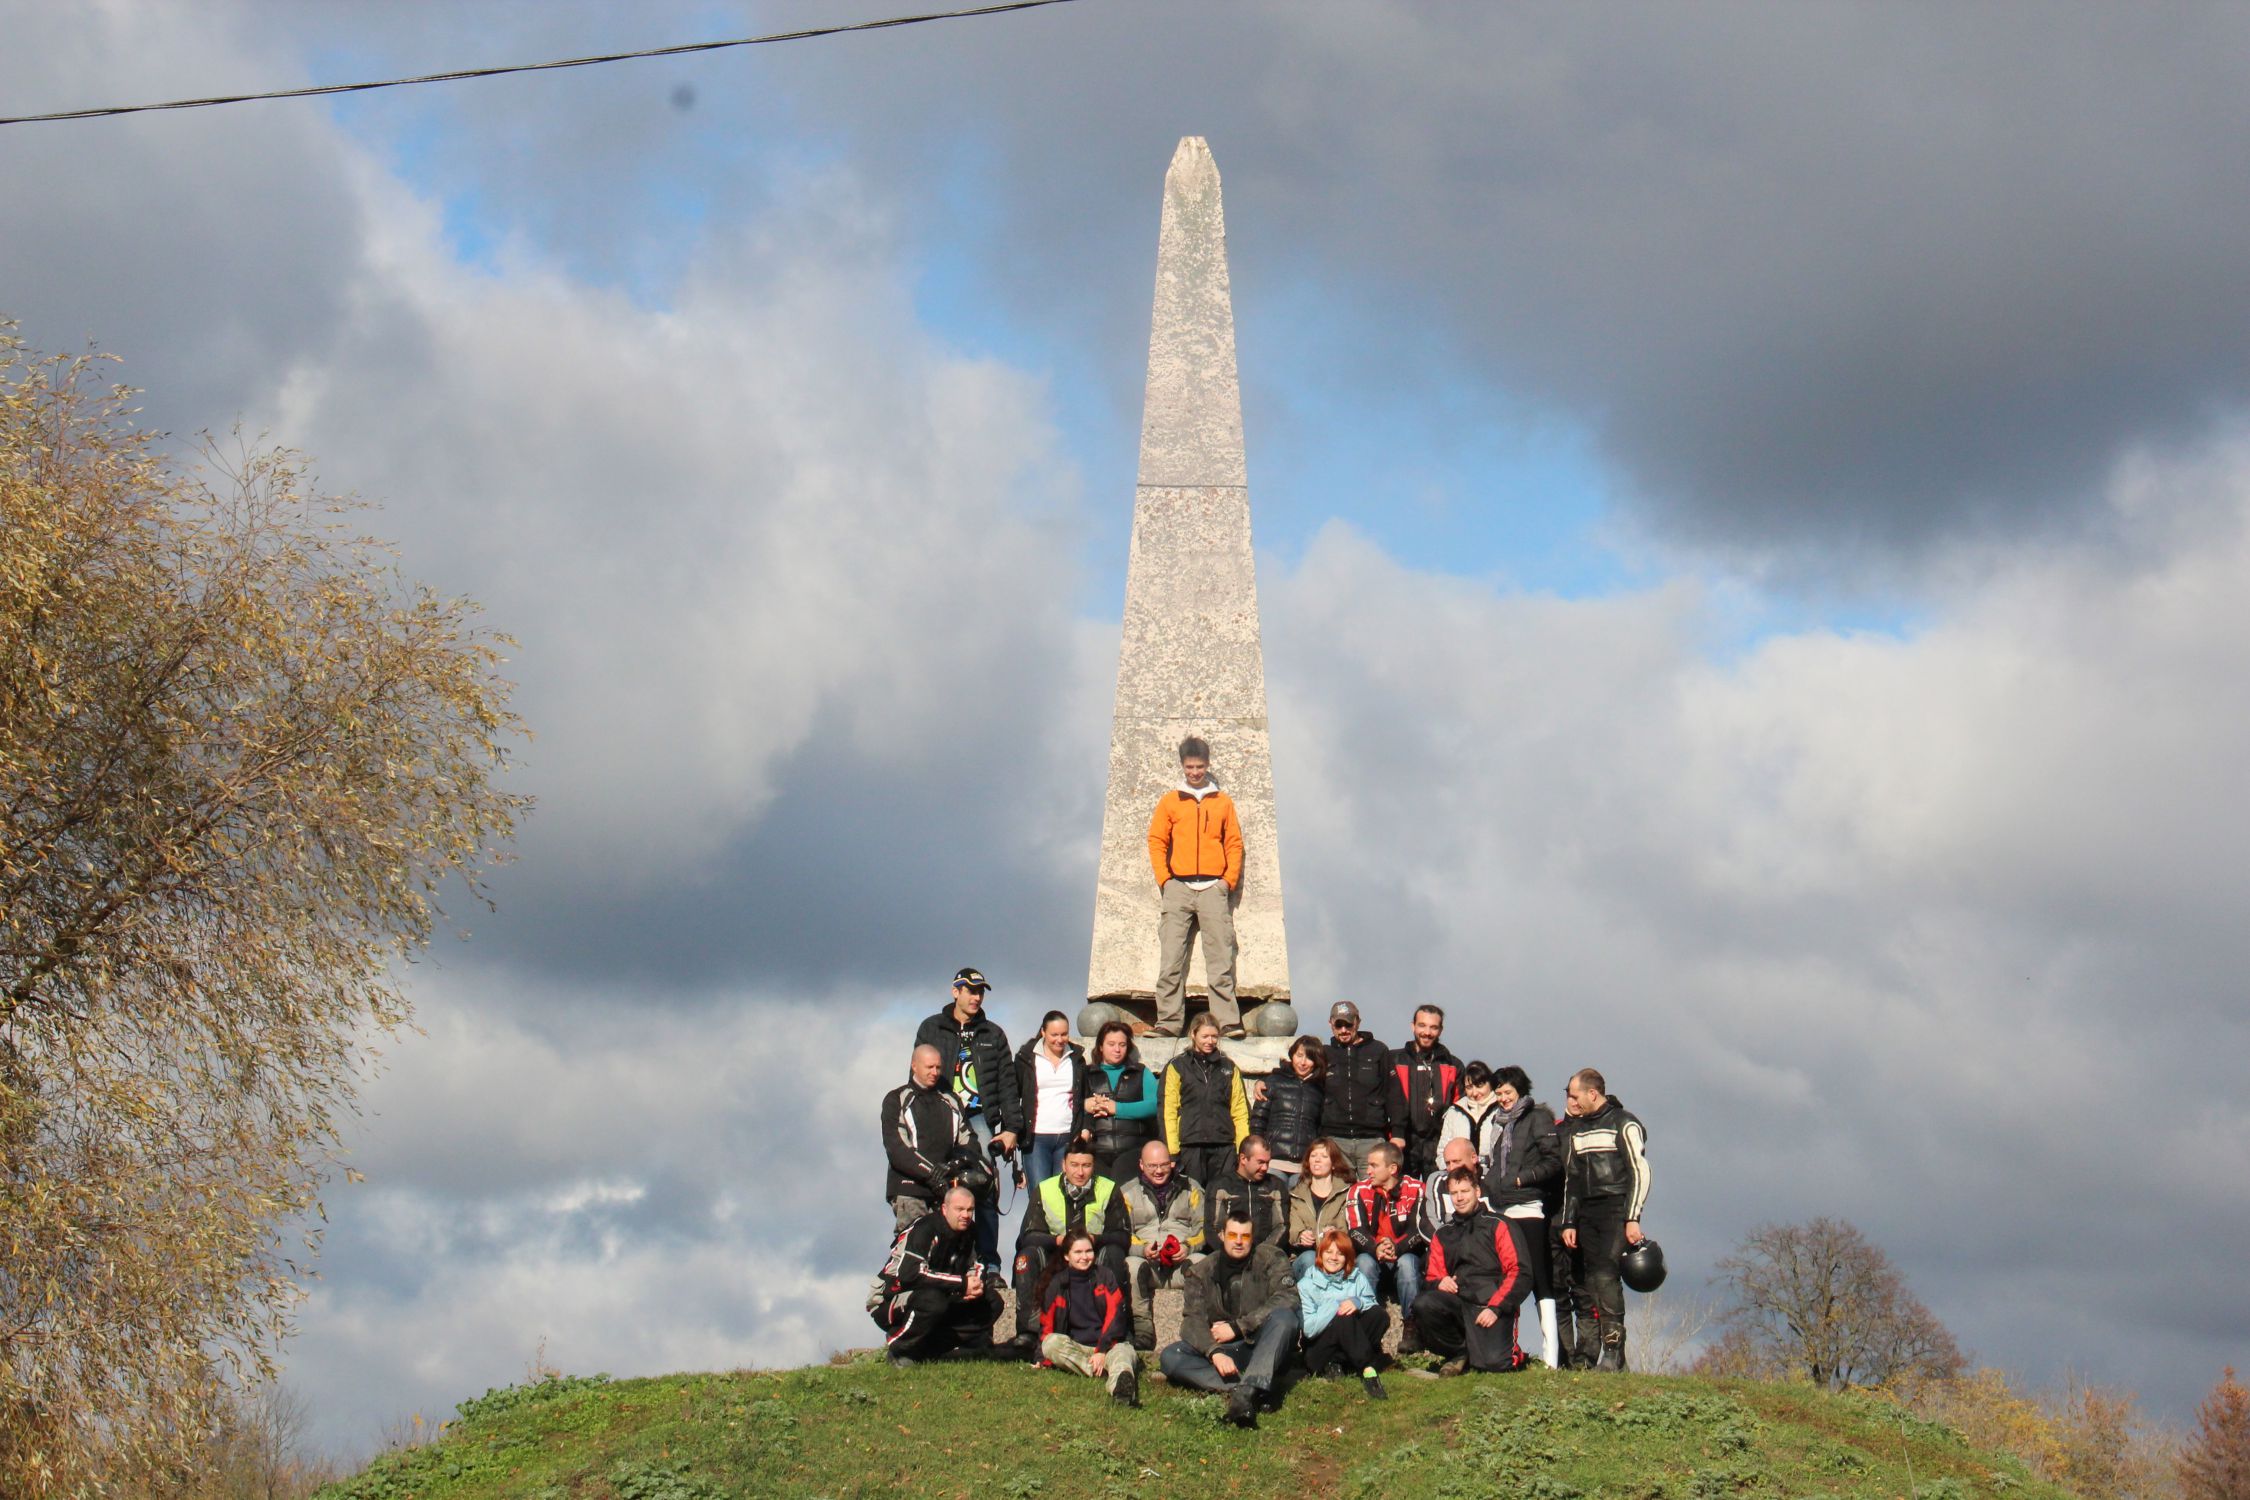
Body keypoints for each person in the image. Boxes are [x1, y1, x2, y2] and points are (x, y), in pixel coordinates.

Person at [912, 968, 1025, 1272]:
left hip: (978, 1118)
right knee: (936, 1187)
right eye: (971, 991)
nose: (976, 997)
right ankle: (936, 1261)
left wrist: (1012, 1129)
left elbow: (1008, 1084)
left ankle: (989, 1263)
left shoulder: (993, 1033)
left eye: (980, 992)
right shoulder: (931, 1027)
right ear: (956, 992)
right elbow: (917, 1072)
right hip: (939, 1115)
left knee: (985, 1186)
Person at [1158, 1212, 1302, 1429]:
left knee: (1285, 1318)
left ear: (1252, 1238)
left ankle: (1247, 1390)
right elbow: (1192, 1320)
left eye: (1245, 1236)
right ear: (1222, 1235)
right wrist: (1214, 1352)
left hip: (1261, 1344)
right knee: (1171, 1356)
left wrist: (1238, 1327)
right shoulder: (1200, 1271)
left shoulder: (1272, 1258)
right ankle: (1250, 1388)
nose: (1238, 1241)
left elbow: (1288, 1297)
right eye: (1233, 1235)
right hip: (1224, 1351)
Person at [1145, 735, 1244, 1037]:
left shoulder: (1223, 801)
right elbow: (1157, 840)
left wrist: (1227, 881)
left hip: (1214, 887)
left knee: (1220, 959)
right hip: (1178, 887)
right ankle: (1168, 1022)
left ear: (1207, 764)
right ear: (1182, 766)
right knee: (1171, 959)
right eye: (1190, 767)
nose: (1195, 772)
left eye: (1199, 767)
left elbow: (1234, 843)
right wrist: (1165, 879)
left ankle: (1227, 1022)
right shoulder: (1170, 801)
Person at [1559, 1068, 1651, 1372]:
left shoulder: (1624, 1123)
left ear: (1592, 1093)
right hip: (1586, 1213)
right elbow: (1572, 1178)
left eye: (1576, 1095)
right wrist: (1569, 1221)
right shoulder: (1577, 1129)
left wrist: (1632, 1217)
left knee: (1606, 1276)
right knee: (1589, 1281)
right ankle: (1603, 1355)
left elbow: (1640, 1171)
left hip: (1615, 1209)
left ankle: (1613, 1353)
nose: (1572, 1101)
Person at [1482, 1065, 1564, 1368]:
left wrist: (1522, 1179)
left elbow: (1553, 1161)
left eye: (1508, 1092)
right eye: (1499, 1093)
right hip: (1499, 1207)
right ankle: (1505, 1348)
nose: (1503, 1098)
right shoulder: (1496, 1121)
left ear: (1520, 1090)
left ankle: (1551, 1355)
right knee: (1505, 1278)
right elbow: (1493, 1162)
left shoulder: (1538, 1117)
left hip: (1527, 1206)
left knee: (1539, 1276)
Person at [1013, 1139, 1131, 1345]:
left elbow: (1122, 1236)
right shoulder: (1045, 1189)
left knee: (1115, 1253)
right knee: (1026, 1256)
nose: (1080, 1172)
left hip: (1092, 1258)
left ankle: (1118, 1329)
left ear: (1094, 1166)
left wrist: (1095, 1239)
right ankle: (1029, 1331)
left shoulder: (1109, 1189)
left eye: (1086, 1165)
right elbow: (1028, 1235)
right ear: (1063, 1165)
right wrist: (1057, 1240)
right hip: (1057, 1256)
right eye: (1074, 1165)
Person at [1413, 1168, 1530, 1375]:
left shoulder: (1500, 1225)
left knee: (1494, 1365)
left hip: (1490, 1305)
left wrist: (1496, 1308)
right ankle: (1459, 1352)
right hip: (1459, 1303)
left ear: (1477, 1191)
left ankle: (1509, 1352)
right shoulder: (1443, 1234)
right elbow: (1431, 1276)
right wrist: (1440, 1282)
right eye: (1454, 1193)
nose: (1459, 1198)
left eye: (1464, 1191)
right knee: (1424, 1304)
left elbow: (1520, 1272)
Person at [871, 1185, 1003, 1366]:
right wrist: (962, 1283)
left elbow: (978, 1264)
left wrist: (976, 1284)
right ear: (944, 1209)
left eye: (970, 1210)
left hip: (939, 1294)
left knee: (993, 1301)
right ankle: (900, 1349)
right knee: (933, 1300)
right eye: (959, 1209)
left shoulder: (970, 1231)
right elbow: (910, 1274)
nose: (965, 1215)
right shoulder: (925, 1228)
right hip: (890, 1297)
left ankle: (928, 1351)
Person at [1033, 1230, 1141, 1407]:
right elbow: (1046, 1325)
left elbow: (1116, 1315)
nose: (1084, 1257)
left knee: (1124, 1354)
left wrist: (1102, 1350)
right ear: (1067, 1256)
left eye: (1088, 1251)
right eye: (1078, 1252)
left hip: (1110, 1346)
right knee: (1050, 1344)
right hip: (1078, 1348)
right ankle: (1103, 1372)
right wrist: (1040, 1359)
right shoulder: (1057, 1283)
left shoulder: (1105, 1276)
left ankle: (1121, 1390)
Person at [1120, 1140, 1207, 1353]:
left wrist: (1187, 1247)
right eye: (1152, 1166)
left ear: (1172, 1163)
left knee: (1203, 1262)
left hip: (1181, 1265)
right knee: (1130, 1265)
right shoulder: (1127, 1192)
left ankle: (1195, 1328)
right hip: (1148, 1266)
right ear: (1142, 1165)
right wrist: (1143, 1249)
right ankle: (1142, 1331)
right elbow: (1122, 1233)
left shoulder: (1192, 1188)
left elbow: (1205, 1229)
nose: (1159, 1171)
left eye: (1164, 1165)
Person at [880, 1044, 974, 1231]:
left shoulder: (951, 1100)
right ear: (914, 1066)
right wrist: (931, 1175)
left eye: (938, 1067)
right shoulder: (897, 1099)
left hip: (945, 1191)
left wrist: (951, 1167)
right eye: (929, 1067)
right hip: (910, 1190)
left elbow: (969, 1142)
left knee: (946, 1246)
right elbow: (897, 1148)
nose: (935, 1072)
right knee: (915, 1243)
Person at [1345, 1141, 1427, 1353]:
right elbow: (1355, 1230)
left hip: (1404, 1255)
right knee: (1364, 1262)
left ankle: (1412, 1327)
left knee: (1408, 1263)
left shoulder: (1417, 1189)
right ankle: (1367, 1324)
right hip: (1373, 1256)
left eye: (1374, 1165)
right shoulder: (1358, 1190)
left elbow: (1419, 1230)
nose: (1368, 1171)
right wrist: (1375, 1248)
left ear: (1392, 1168)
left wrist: (1397, 1248)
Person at [1160, 1013, 1249, 1189]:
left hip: (1224, 1147)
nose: (1210, 1041)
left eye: (1214, 1036)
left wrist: (1242, 1151)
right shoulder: (1177, 1066)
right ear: (1193, 1034)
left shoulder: (1229, 1067)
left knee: (1222, 1197)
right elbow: (1168, 1111)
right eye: (1205, 1036)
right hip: (1189, 1147)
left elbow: (1240, 1111)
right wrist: (1172, 1152)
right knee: (1193, 1199)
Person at [1296, 1228, 1386, 1399]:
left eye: (1340, 1253)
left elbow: (1371, 1303)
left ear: (1347, 1257)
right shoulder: (1306, 1285)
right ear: (1320, 1254)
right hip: (1319, 1349)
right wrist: (1336, 1305)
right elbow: (1309, 1329)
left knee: (1379, 1315)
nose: (1334, 1258)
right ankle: (1367, 1367)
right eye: (1329, 1252)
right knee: (1344, 1317)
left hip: (1348, 1339)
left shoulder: (1356, 1277)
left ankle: (1340, 1362)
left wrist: (1357, 1302)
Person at [1016, 1011, 1089, 1191]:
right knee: (1040, 1194)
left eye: (1064, 1034)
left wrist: (1085, 1128)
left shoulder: (1076, 1058)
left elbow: (1085, 1096)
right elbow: (1013, 1095)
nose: (1059, 1039)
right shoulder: (1026, 1058)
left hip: (1068, 1136)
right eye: (1054, 1035)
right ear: (1043, 1032)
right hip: (1036, 1138)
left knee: (1064, 1194)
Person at [1320, 1002, 1395, 1178]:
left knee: (1373, 1191)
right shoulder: (1323, 1053)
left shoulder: (1378, 1050)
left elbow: (1393, 1093)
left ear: (1358, 1022)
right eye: (1338, 1025)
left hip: (1371, 1140)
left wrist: (1398, 1132)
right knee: (1340, 1193)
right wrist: (1265, 1082)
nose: (1344, 1030)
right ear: (1330, 1024)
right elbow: (1298, 1069)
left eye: (1348, 1024)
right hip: (1335, 1141)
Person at [1388, 1004, 1462, 1177]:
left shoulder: (1453, 1065)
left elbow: (1460, 1108)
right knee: (1402, 1192)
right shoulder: (1394, 1060)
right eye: (1422, 1025)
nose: (1427, 1032)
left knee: (1437, 1191)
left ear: (1441, 1030)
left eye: (1433, 1027)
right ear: (1412, 1026)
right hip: (1403, 1142)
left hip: (1439, 1144)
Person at [1084, 1019, 1160, 1181]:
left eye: (1122, 1045)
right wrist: (1085, 1105)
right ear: (1100, 1046)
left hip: (1133, 1152)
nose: (1117, 1050)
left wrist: (1117, 1108)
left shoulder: (1140, 1072)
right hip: (1097, 1154)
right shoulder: (1086, 1074)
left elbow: (1154, 1105)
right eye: (1111, 1044)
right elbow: (1070, 1104)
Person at [1249, 1035, 1326, 1184]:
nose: (1303, 1062)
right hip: (1273, 1162)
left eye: (1309, 1058)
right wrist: (1259, 1153)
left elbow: (1320, 1127)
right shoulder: (1273, 1081)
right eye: (1299, 1055)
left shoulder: (1320, 1089)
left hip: (1303, 1165)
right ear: (1292, 1055)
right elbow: (1258, 1120)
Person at [1285, 1137, 1353, 1277]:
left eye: (1324, 1156)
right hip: (1304, 1256)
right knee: (1310, 1258)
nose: (1317, 1160)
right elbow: (1292, 1229)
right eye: (1313, 1155)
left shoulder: (1346, 1193)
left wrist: (1335, 1234)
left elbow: (1348, 1229)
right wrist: (1300, 1235)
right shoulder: (1296, 1194)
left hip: (1335, 1257)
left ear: (1333, 1164)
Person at [1205, 1135, 1287, 1252]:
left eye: (1267, 1162)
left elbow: (1281, 1227)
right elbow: (1212, 1228)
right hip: (1228, 1254)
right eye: (1260, 1162)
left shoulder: (1276, 1186)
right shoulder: (1220, 1186)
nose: (1265, 1168)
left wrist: (1263, 1253)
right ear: (1243, 1158)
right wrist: (1232, 1253)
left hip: (1266, 1255)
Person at [1418, 1137, 1489, 1239]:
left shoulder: (1491, 1180)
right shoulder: (1438, 1181)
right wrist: (1453, 1245)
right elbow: (1429, 1224)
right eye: (1448, 1163)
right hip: (1447, 1245)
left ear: (1474, 1158)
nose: (1451, 1168)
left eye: (1456, 1161)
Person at [1437, 1060, 1503, 1162]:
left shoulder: (1501, 1109)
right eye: (1469, 1087)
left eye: (1479, 1085)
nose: (1474, 1093)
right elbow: (1442, 1152)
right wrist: (1452, 1168)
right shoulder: (1454, 1112)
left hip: (1493, 1169)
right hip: (1459, 1170)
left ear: (1490, 1083)